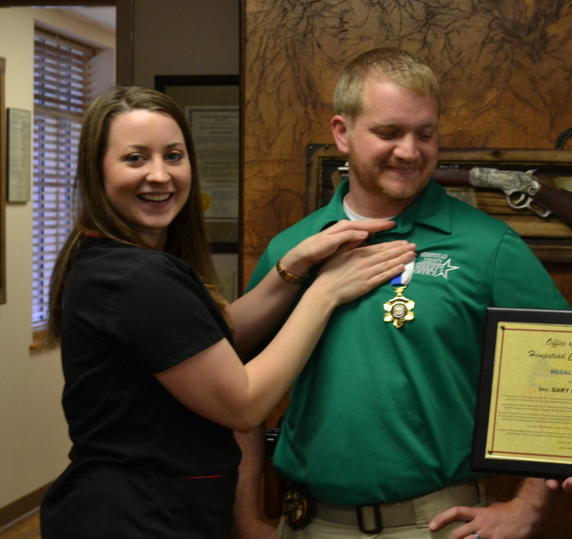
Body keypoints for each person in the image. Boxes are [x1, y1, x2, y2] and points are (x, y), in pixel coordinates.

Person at [40, 86, 416, 539]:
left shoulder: (115, 261)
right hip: (137, 518)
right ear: (96, 170)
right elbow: (243, 402)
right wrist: (325, 292)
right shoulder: (135, 277)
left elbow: (206, 349)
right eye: (135, 159)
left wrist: (290, 269)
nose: (160, 175)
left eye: (173, 156)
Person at [233, 48, 570, 539]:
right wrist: (246, 517)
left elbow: (565, 373)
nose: (410, 151)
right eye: (389, 132)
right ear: (342, 132)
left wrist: (528, 505)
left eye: (425, 133)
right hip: (308, 522)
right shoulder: (293, 250)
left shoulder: (488, 246)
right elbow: (238, 391)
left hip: (432, 522)